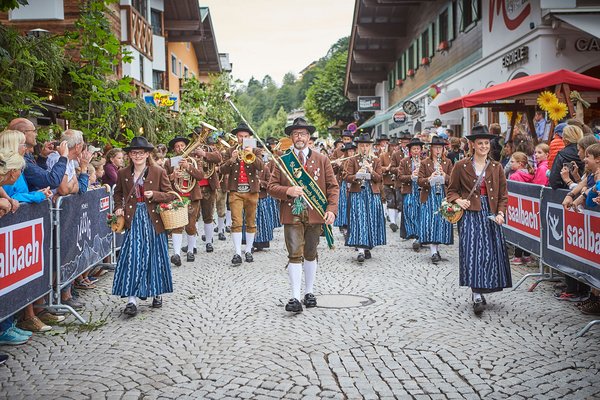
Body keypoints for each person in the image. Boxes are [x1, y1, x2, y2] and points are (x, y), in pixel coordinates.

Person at [268, 117, 338, 313]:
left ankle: (309, 292)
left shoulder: (322, 159)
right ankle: (295, 297)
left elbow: (333, 187)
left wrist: (331, 209)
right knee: (294, 254)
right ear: (291, 137)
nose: (300, 137)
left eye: (304, 134)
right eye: (296, 134)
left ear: (309, 137)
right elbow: (271, 187)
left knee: (310, 253)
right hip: (292, 213)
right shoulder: (283, 161)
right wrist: (288, 191)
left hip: (315, 213)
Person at [447, 125, 511, 315]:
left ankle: (485, 286)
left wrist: (501, 213)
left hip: (490, 215)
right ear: (472, 145)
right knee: (473, 253)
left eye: (486, 143)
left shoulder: (496, 167)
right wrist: (458, 200)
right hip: (470, 215)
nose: (483, 146)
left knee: (489, 254)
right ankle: (476, 294)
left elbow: (503, 195)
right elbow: (450, 190)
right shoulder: (461, 166)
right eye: (480, 143)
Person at [112, 136, 176, 316]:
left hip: (153, 220)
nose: (137, 156)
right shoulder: (123, 173)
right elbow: (117, 194)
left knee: (155, 256)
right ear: (129, 155)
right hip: (134, 220)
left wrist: (154, 194)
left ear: (148, 154)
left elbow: (170, 194)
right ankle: (131, 300)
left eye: (141, 153)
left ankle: (156, 293)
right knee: (132, 256)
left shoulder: (158, 171)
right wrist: (118, 208)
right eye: (134, 153)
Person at [219, 122, 265, 265]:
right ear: (237, 137)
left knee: (251, 222)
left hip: (252, 191)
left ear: (250, 137)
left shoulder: (256, 150)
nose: (243, 139)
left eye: (246, 136)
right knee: (236, 222)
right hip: (235, 191)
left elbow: (261, 167)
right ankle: (238, 252)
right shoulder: (230, 150)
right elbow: (222, 170)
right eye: (240, 136)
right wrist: (232, 159)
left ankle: (249, 250)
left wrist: (250, 152)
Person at [344, 133, 386, 263]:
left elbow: (379, 178)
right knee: (359, 219)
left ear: (370, 147)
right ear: (358, 147)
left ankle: (367, 245)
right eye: (362, 145)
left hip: (372, 194)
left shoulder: (376, 160)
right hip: (357, 193)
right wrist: (357, 175)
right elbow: (346, 176)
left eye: (367, 146)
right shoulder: (352, 160)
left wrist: (370, 170)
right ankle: (361, 250)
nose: (364, 148)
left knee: (370, 219)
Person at [163, 135, 204, 264]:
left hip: (192, 197)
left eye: (182, 146)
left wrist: (188, 167)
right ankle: (176, 254)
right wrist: (172, 176)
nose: (180, 148)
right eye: (177, 146)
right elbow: (163, 179)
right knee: (177, 226)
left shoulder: (194, 160)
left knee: (191, 226)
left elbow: (200, 176)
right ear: (174, 149)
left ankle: (191, 250)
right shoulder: (170, 162)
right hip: (177, 197)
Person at [417, 136, 454, 264]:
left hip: (443, 196)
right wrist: (429, 178)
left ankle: (437, 248)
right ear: (431, 149)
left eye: (440, 148)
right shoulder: (425, 162)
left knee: (441, 223)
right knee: (431, 222)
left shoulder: (447, 162)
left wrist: (445, 176)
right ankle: (433, 251)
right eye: (435, 148)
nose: (438, 150)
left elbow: (453, 181)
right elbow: (419, 181)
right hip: (429, 196)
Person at [397, 137, 424, 251]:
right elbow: (400, 176)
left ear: (421, 150)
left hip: (422, 191)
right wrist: (411, 176)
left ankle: (420, 236)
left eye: (418, 149)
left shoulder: (425, 161)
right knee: (410, 213)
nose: (416, 151)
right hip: (409, 190)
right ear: (410, 150)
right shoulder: (404, 161)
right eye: (414, 149)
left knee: (421, 213)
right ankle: (414, 236)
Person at [548, 125, 584, 189]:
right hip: (584, 191)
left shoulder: (562, 154)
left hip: (564, 193)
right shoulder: (587, 153)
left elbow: (554, 180)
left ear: (565, 139)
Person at [332, 142, 355, 232]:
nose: (351, 153)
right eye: (349, 151)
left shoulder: (355, 160)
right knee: (343, 204)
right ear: (346, 152)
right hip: (343, 184)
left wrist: (340, 165)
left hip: (353, 183)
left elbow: (348, 171)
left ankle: (350, 224)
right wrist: (336, 164)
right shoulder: (343, 160)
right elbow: (334, 171)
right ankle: (343, 224)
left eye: (353, 151)